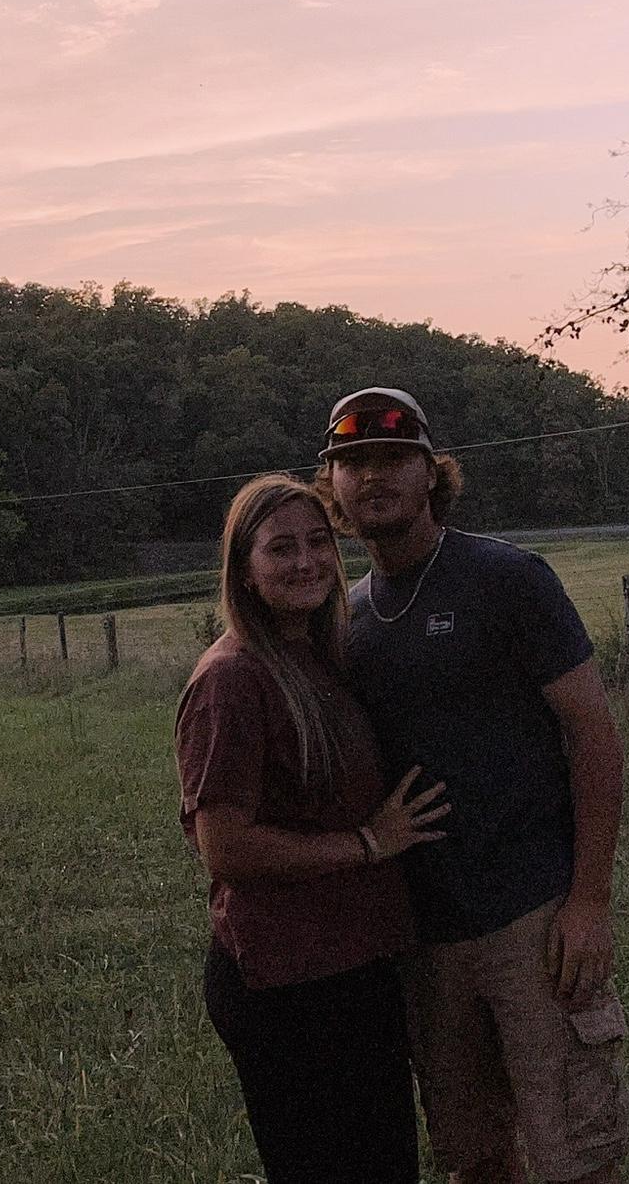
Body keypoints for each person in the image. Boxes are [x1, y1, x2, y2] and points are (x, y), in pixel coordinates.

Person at [314, 389, 629, 1184]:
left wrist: (589, 901)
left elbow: (593, 735)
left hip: (533, 919)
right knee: (476, 1159)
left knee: (576, 1156)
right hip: (422, 937)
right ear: (333, 489)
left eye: (394, 458)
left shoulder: (506, 579)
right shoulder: (347, 619)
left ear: (432, 473)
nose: (372, 476)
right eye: (353, 463)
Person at [174, 473, 449, 1184]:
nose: (306, 562)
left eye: (318, 542)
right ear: (244, 569)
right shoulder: (232, 679)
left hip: (352, 967)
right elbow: (225, 845)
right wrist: (368, 844)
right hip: (289, 982)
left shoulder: (319, 657)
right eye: (280, 548)